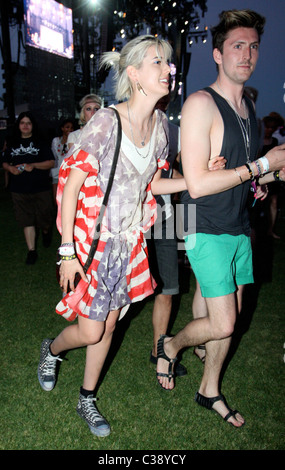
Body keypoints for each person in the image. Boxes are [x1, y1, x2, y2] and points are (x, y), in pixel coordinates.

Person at [37, 35, 187, 437]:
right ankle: (51, 350)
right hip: (94, 241)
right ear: (135, 74)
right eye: (157, 62)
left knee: (110, 326)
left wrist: (198, 180)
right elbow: (71, 186)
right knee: (90, 329)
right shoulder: (107, 121)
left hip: (131, 242)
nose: (167, 70)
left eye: (168, 63)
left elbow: (153, 184)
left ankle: (87, 397)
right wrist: (67, 252)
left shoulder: (162, 129)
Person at [156, 9, 285, 428]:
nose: (246, 55)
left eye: (253, 47)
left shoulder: (248, 107)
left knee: (222, 318)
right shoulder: (200, 103)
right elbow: (195, 183)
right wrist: (260, 164)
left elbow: (236, 168)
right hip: (204, 225)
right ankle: (171, 346)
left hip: (238, 225)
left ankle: (208, 390)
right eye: (236, 46)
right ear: (217, 54)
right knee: (224, 321)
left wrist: (258, 180)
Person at [1, 111, 55, 264]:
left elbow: (51, 162)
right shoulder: (12, 142)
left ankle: (46, 231)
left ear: (33, 126)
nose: (25, 126)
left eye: (28, 123)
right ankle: (32, 251)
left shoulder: (40, 142)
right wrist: (9, 169)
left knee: (45, 217)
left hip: (40, 187)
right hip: (19, 189)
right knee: (26, 220)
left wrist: (33, 165)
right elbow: (5, 161)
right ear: (18, 125)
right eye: (22, 123)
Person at [51, 118, 74, 201]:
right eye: (67, 127)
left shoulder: (74, 141)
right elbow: (54, 155)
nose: (70, 130)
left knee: (68, 196)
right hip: (56, 171)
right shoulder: (56, 141)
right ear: (62, 128)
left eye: (71, 128)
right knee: (56, 196)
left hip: (69, 172)